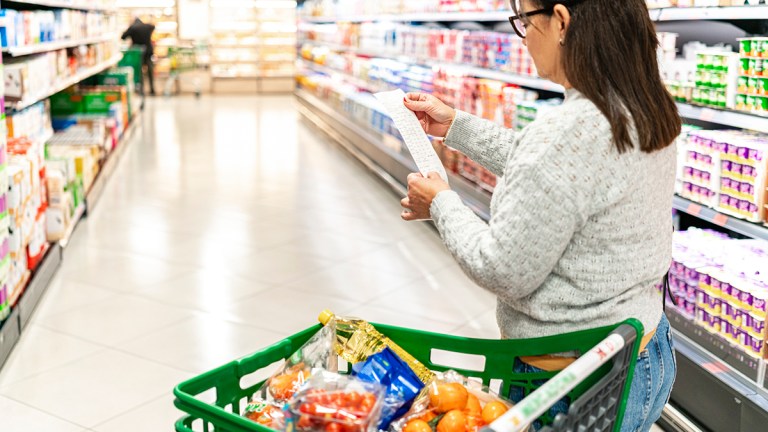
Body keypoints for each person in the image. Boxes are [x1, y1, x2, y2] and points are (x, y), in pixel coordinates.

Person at [400, 0, 679, 431]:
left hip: (571, 381)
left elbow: (502, 268)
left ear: (562, 21)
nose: (524, 36)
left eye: (525, 21)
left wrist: (441, 203)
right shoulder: (640, 102)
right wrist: (456, 125)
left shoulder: (567, 132)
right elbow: (552, 170)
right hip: (643, 350)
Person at [121, 17, 156, 96]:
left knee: (139, 72)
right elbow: (153, 26)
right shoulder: (147, 26)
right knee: (150, 70)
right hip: (148, 51)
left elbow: (123, 37)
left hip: (137, 53)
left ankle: (141, 90)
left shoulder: (132, 28)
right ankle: (152, 90)